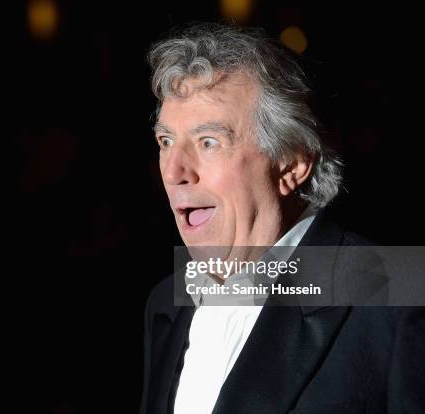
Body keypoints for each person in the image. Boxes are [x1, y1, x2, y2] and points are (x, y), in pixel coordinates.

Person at [141, 23, 424, 414]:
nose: (174, 172)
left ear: (292, 164)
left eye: (209, 142)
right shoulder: (166, 302)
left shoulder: (399, 297)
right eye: (165, 142)